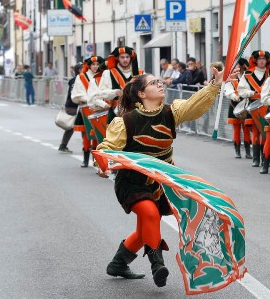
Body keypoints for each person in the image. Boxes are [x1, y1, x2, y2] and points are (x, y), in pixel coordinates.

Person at [95, 66, 226, 287]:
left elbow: (193, 107)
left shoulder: (170, 112)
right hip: (131, 182)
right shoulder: (125, 122)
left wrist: (214, 85)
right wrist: (103, 163)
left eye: (159, 81)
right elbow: (106, 147)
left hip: (161, 182)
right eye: (154, 83)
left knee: (144, 227)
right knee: (150, 213)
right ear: (141, 94)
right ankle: (158, 265)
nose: (160, 84)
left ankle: (118, 263)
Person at [237, 51, 270, 167]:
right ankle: (256, 159)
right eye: (259, 59)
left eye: (264, 59)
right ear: (255, 61)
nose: (262, 61)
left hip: (267, 106)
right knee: (256, 133)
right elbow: (241, 90)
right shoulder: (248, 74)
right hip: (253, 106)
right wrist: (251, 92)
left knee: (266, 134)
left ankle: (265, 159)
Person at [71, 56, 108, 167]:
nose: (95, 66)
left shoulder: (104, 77)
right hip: (86, 108)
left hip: (101, 108)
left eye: (98, 64)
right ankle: (86, 158)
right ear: (89, 65)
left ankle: (97, 159)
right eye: (93, 64)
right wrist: (90, 98)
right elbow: (76, 94)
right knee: (86, 135)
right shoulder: (81, 77)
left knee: (99, 134)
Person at [95, 47, 141, 124]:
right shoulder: (108, 73)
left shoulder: (139, 73)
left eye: (127, 57)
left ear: (131, 58)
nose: (125, 60)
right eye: (122, 57)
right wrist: (114, 92)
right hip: (115, 113)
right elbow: (101, 93)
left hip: (136, 111)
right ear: (117, 58)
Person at [224, 59, 250, 159]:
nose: (236, 68)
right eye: (235, 66)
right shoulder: (230, 78)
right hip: (234, 105)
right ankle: (237, 151)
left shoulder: (246, 77)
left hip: (246, 104)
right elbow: (228, 92)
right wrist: (235, 97)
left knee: (246, 128)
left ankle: (248, 151)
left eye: (238, 66)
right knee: (236, 129)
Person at [58, 63, 83, 154]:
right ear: (79, 70)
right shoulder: (76, 80)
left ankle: (85, 146)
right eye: (83, 68)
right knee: (71, 127)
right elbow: (74, 94)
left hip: (73, 106)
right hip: (73, 106)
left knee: (78, 127)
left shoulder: (77, 79)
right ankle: (63, 145)